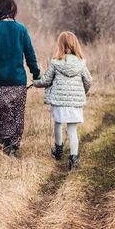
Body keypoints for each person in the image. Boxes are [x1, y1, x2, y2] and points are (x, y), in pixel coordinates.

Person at [0, 0, 40, 157]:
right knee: (16, 114)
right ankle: (12, 145)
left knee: (0, 110)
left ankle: (9, 144)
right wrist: (35, 74)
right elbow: (30, 54)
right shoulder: (20, 29)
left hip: (1, 81)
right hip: (18, 81)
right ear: (12, 10)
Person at [33, 31, 92, 170]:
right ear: (75, 45)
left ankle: (58, 150)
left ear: (60, 46)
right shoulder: (81, 64)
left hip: (59, 101)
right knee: (72, 130)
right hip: (75, 102)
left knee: (58, 124)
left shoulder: (55, 63)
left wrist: (35, 83)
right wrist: (82, 92)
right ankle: (73, 159)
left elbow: (46, 80)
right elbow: (88, 80)